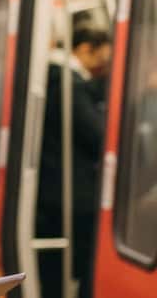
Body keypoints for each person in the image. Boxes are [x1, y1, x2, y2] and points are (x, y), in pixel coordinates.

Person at [37, 28, 111, 298]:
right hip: (69, 193)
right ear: (83, 49)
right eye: (99, 59)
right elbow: (98, 136)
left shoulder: (52, 78)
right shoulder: (71, 86)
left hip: (50, 190)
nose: (100, 67)